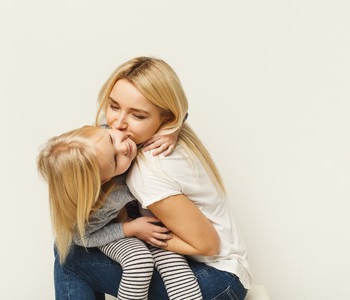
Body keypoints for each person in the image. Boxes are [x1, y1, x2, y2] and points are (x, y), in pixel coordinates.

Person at [53, 56, 252, 300]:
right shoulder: (130, 136)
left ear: (166, 118)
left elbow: (207, 245)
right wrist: (174, 128)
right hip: (224, 269)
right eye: (114, 106)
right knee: (77, 244)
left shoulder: (147, 172)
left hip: (217, 281)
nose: (118, 123)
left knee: (69, 257)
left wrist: (141, 233)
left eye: (137, 115)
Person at [37, 125, 203, 300]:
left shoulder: (111, 128)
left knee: (174, 263)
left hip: (140, 220)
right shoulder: (105, 202)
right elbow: (82, 237)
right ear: (105, 179)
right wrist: (129, 229)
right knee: (139, 261)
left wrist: (172, 133)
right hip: (113, 230)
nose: (123, 146)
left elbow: (170, 110)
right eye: (115, 160)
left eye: (111, 138)